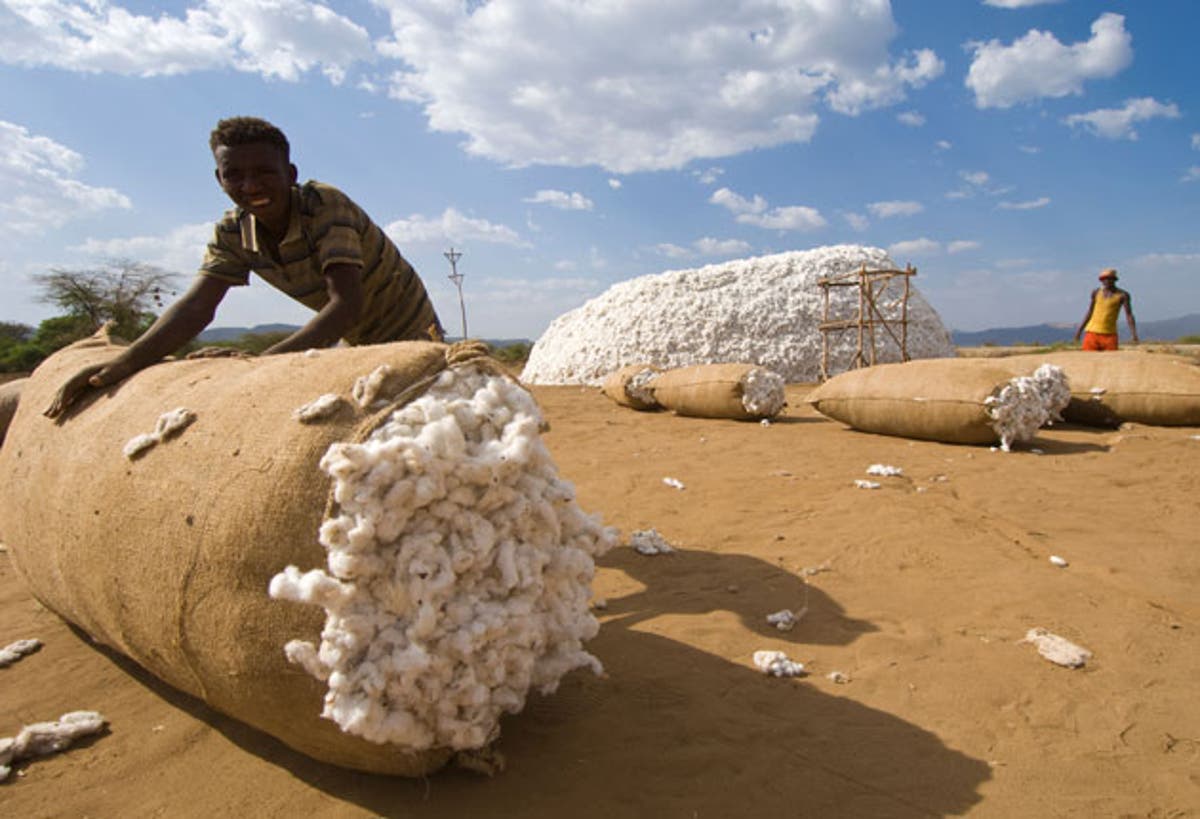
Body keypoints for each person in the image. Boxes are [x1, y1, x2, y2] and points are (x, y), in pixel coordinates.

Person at [45, 116, 443, 419]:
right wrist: (121, 364)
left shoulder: (323, 205)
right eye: (234, 174)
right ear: (219, 178)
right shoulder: (234, 232)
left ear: (289, 174)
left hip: (413, 338)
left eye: (264, 172)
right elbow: (196, 308)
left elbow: (345, 305)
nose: (250, 186)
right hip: (355, 344)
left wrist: (254, 368)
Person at [1073, 268, 1137, 352]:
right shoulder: (1096, 292)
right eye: (1104, 279)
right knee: (1089, 360)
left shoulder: (1123, 295)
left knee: (1110, 361)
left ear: (1114, 280)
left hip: (1110, 334)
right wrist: (1079, 331)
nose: (1106, 281)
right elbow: (1090, 312)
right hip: (1092, 333)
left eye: (1109, 278)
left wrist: (1134, 334)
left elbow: (1129, 315)